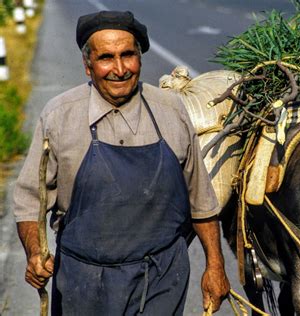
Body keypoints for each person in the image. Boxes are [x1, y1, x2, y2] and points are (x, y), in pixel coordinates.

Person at [14, 10, 230, 315]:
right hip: (83, 280)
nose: (119, 69)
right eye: (106, 58)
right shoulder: (59, 116)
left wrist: (216, 267)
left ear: (139, 59)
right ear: (88, 66)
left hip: (161, 277)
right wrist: (35, 252)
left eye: (128, 55)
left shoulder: (171, 110)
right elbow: (29, 200)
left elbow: (202, 200)